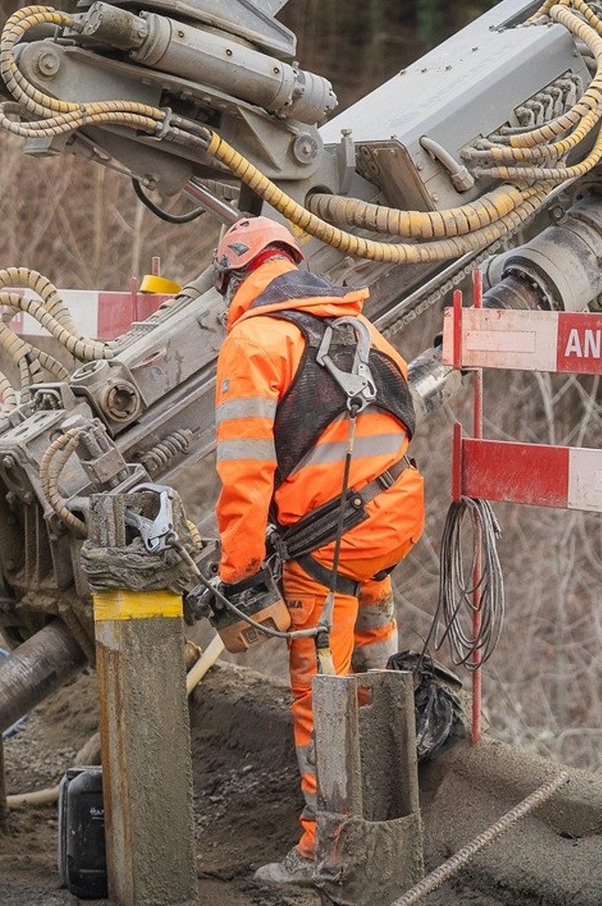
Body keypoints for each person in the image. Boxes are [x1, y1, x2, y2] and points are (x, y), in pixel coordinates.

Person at [210, 216, 426, 886]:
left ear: (234, 278)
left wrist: (239, 575)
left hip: (329, 543)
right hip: (394, 517)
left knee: (319, 690)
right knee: (371, 644)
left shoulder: (254, 340)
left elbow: (244, 474)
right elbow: (404, 413)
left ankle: (327, 853)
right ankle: (396, 765)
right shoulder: (356, 326)